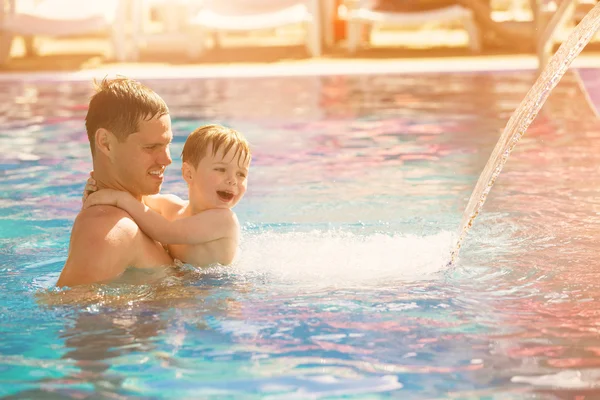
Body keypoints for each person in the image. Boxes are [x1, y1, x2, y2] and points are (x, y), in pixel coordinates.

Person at [56, 77, 175, 288]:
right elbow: (72, 310)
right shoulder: (106, 229)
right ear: (106, 143)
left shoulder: (147, 211)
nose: (167, 159)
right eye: (150, 147)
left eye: (167, 144)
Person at [82, 124, 251, 268]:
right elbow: (137, 201)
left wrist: (119, 198)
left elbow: (164, 232)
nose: (233, 181)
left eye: (241, 174)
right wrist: (99, 193)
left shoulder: (224, 220)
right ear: (189, 174)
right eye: (220, 169)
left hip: (213, 291)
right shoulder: (172, 206)